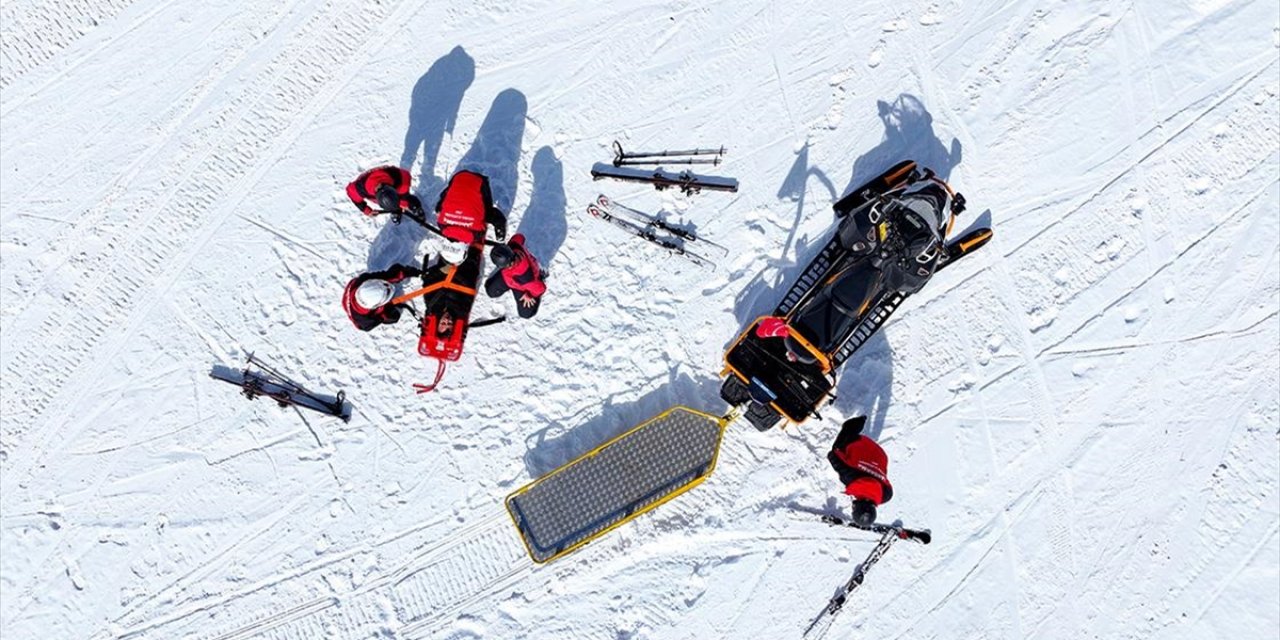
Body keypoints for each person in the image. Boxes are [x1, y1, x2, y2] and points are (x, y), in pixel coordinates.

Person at [827, 416, 893, 527]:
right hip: (860, 444)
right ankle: (853, 425)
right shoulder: (849, 478)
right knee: (837, 449)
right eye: (854, 509)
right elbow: (832, 456)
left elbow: (874, 488)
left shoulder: (886, 495)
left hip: (880, 455)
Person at [434, 170, 507, 247]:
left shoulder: (476, 232)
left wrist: (500, 233)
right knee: (445, 200)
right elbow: (442, 201)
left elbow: (497, 217)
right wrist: (439, 207)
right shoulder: (442, 224)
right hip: (458, 177)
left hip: (478, 181)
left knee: (487, 210)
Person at [341, 264, 423, 331]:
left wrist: (402, 274)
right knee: (393, 317)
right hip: (360, 312)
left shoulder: (362, 280)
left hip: (357, 292)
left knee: (395, 270)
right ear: (376, 306)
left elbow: (383, 276)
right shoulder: (364, 321)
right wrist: (384, 316)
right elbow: (373, 323)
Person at [485, 234, 546, 318]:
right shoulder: (514, 245)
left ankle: (540, 278)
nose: (514, 262)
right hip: (508, 278)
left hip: (521, 286)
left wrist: (530, 295)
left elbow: (540, 288)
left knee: (525, 314)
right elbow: (519, 237)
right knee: (490, 291)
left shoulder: (525, 277)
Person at [347, 165, 423, 216]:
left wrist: (405, 200)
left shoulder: (400, 179)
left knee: (406, 200)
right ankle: (395, 210)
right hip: (374, 186)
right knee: (392, 204)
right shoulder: (359, 188)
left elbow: (406, 175)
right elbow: (353, 195)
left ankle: (416, 207)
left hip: (396, 184)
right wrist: (366, 210)